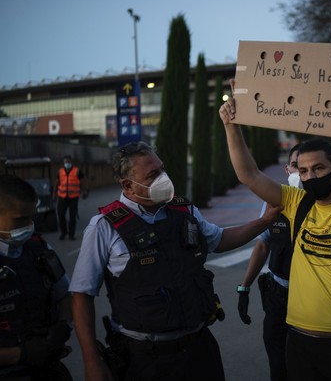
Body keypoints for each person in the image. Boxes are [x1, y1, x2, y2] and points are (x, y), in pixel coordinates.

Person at [69, 141, 279, 381]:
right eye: (153, 174)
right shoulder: (104, 227)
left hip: (199, 348)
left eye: (162, 169)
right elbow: (81, 295)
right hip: (146, 358)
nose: (163, 178)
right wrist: (91, 361)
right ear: (128, 185)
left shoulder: (183, 210)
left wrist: (263, 221)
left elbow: (219, 240)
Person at [221, 82, 331, 381]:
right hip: (299, 342)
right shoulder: (296, 202)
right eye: (303, 170)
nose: (309, 176)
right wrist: (232, 126)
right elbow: (249, 174)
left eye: (318, 169)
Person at [236, 143, 301, 381]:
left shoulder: (327, 204)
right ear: (287, 169)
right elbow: (263, 244)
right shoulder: (274, 202)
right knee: (278, 363)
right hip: (278, 295)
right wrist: (244, 286)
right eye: (296, 165)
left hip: (314, 300)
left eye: (307, 168)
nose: (300, 173)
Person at [0, 174, 72, 380]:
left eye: (31, 217)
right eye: (20, 220)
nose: (29, 225)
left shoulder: (38, 247)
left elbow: (65, 295)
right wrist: (22, 354)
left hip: (47, 369)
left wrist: (64, 326)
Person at [53, 155, 89, 241]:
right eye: (65, 162)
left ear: (71, 162)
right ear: (63, 162)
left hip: (73, 198)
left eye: (68, 162)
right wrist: (54, 195)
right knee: (61, 215)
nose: (67, 163)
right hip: (62, 197)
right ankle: (64, 232)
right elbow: (56, 182)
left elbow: (84, 181)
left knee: (72, 217)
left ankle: (71, 235)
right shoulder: (60, 171)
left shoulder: (77, 171)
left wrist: (85, 191)